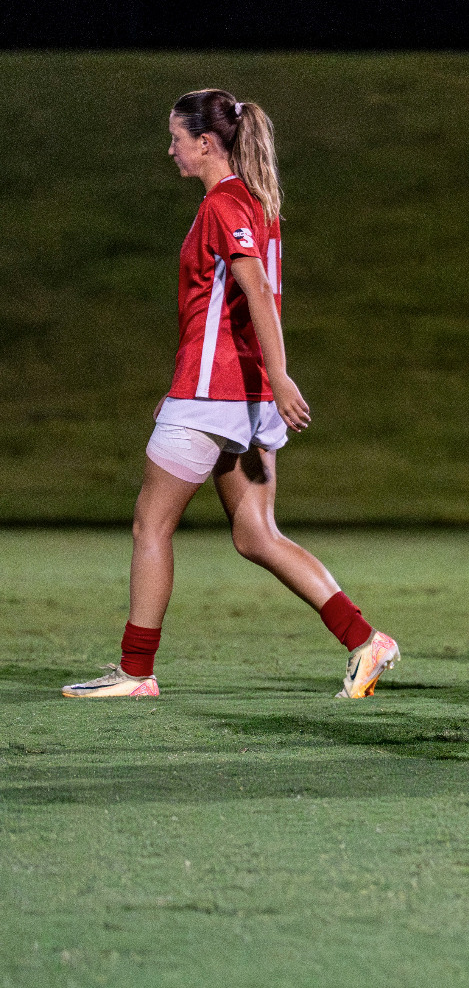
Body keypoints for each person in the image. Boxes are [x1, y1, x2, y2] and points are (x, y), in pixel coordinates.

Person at [63, 89, 400, 701]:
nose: (170, 150)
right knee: (255, 534)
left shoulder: (225, 204)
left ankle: (136, 671)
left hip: (211, 391)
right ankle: (364, 639)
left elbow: (256, 289)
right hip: (247, 397)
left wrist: (282, 371)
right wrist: (273, 381)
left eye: (176, 139)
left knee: (150, 525)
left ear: (207, 143)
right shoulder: (257, 202)